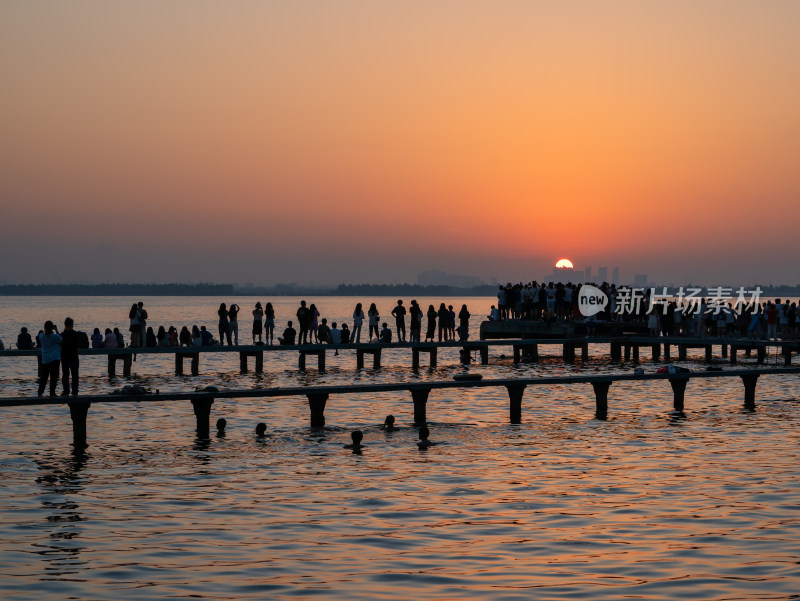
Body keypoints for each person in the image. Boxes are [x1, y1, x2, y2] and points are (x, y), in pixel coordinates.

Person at [37, 321, 62, 397]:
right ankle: (52, 392)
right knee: (53, 377)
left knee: (44, 377)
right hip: (55, 358)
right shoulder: (55, 336)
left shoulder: (41, 336)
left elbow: (41, 334)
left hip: (45, 359)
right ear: (52, 328)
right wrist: (56, 330)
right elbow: (62, 340)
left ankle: (40, 392)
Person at [60, 317, 80, 396]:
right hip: (74, 356)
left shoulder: (63, 334)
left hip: (65, 356)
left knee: (65, 375)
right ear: (72, 325)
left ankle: (66, 390)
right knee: (75, 375)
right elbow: (78, 345)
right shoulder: (76, 334)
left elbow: (61, 344)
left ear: (65, 324)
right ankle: (75, 391)